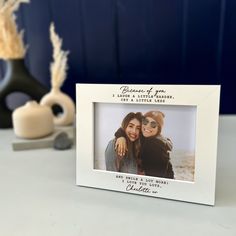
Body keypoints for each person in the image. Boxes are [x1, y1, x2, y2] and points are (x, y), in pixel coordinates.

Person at [115, 111, 174, 179]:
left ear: (158, 129)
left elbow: (156, 178)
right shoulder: (145, 137)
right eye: (145, 122)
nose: (147, 126)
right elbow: (124, 128)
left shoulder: (155, 146)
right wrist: (121, 136)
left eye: (153, 124)